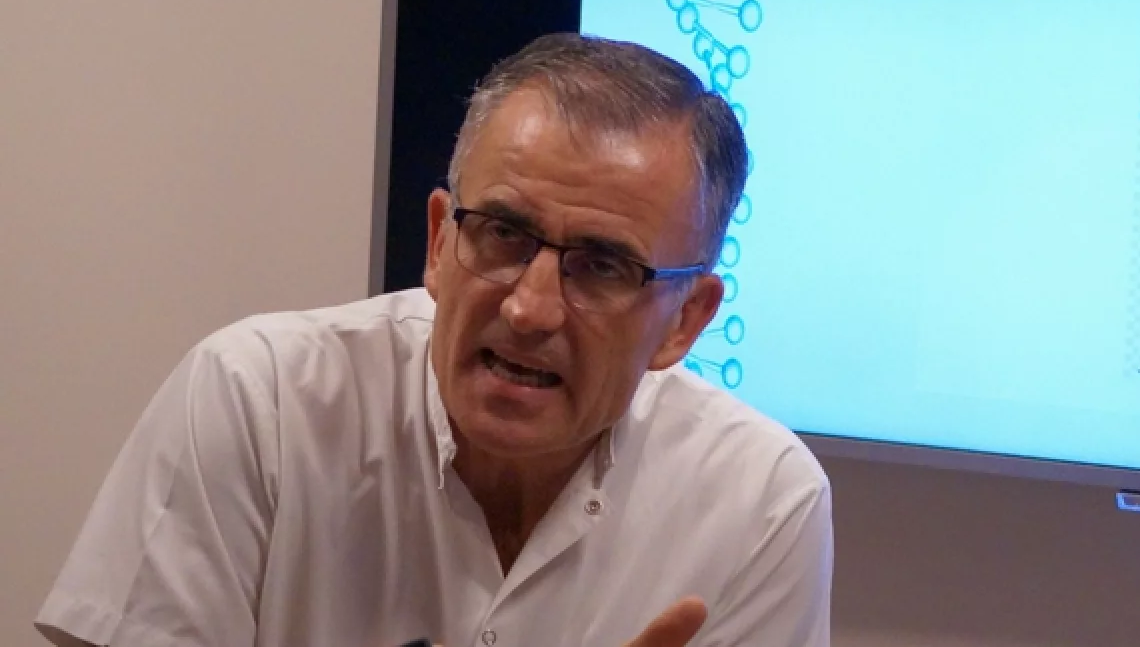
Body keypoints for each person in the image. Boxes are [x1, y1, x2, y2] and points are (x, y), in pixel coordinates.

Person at [36, 33, 833, 647]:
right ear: (439, 242)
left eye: (601, 267)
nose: (529, 310)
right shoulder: (260, 402)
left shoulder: (760, 501)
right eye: (503, 234)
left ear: (686, 320)